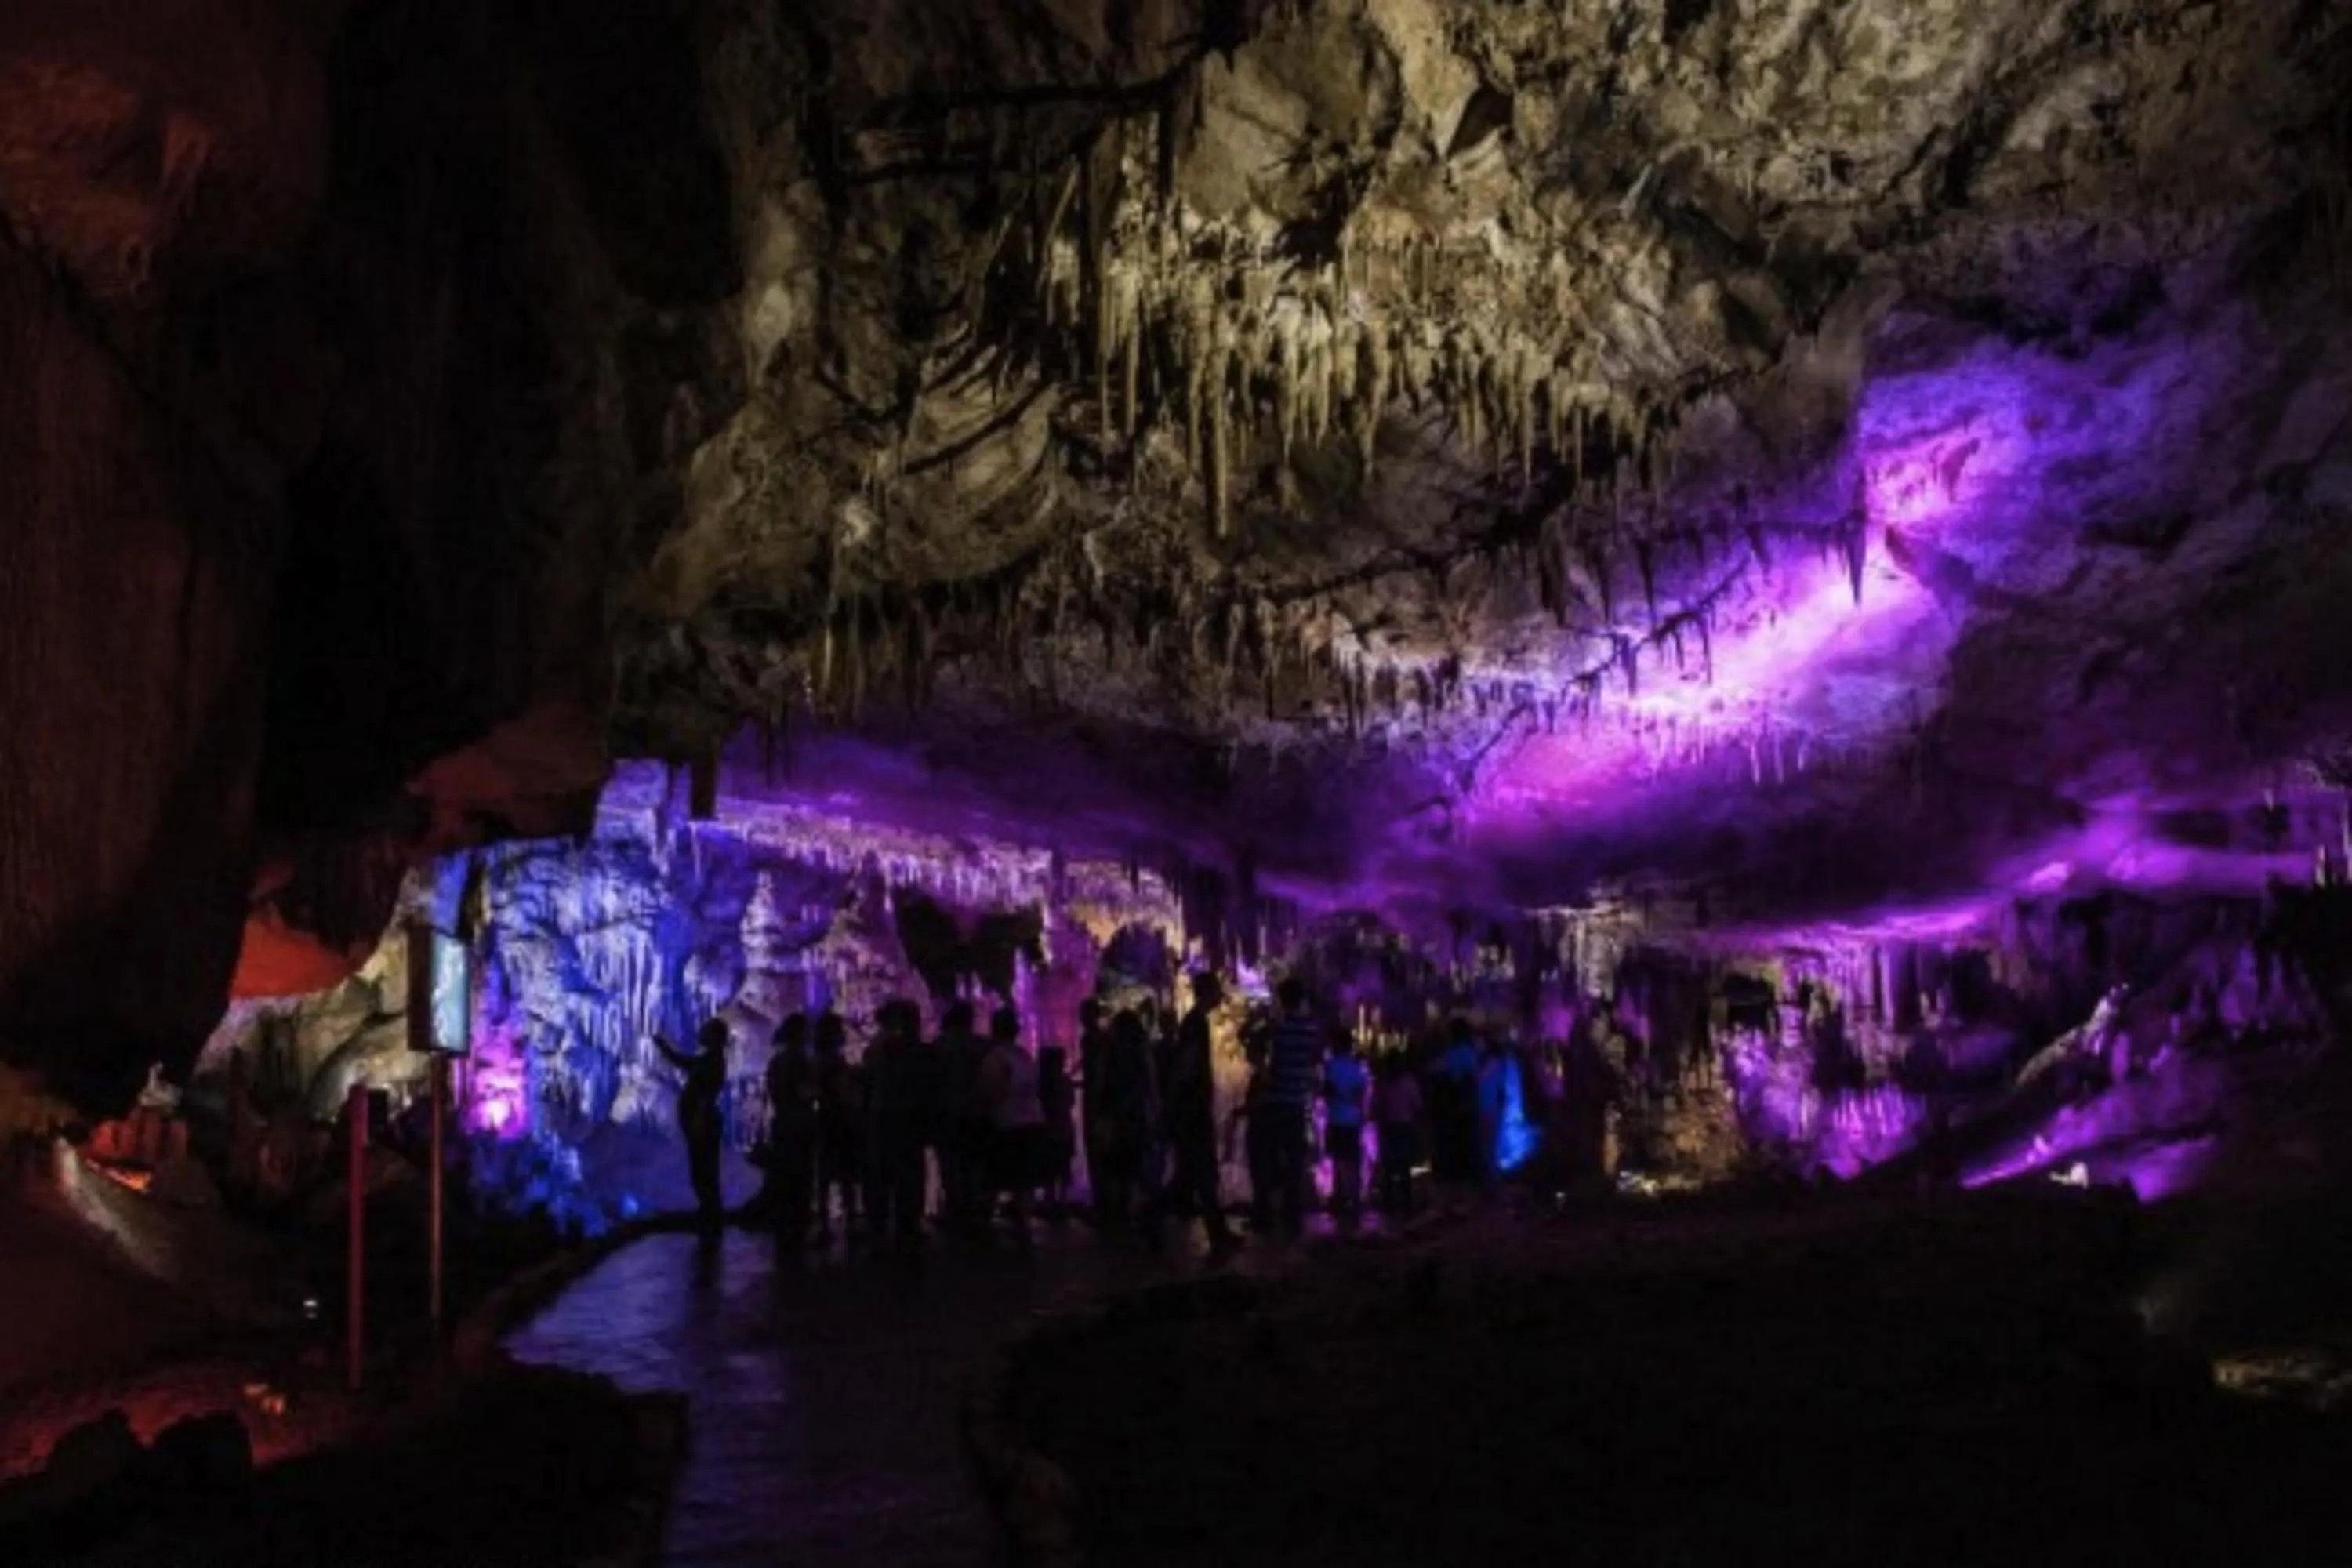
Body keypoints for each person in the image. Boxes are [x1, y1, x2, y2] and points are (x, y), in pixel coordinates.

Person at [1160, 974, 1240, 1259]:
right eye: (1217, 990)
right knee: (1202, 1171)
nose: (1221, 996)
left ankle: (1152, 1217)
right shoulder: (1194, 1024)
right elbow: (1186, 1064)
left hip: (1192, 1108)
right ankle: (1216, 1233)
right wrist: (1181, 1101)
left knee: (1189, 1175)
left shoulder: (1196, 1022)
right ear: (1206, 992)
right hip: (1192, 1111)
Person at [1261, 977, 1324, 1243]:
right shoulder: (1311, 1030)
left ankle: (1270, 1212)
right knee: (1296, 1161)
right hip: (1298, 1101)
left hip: (1276, 1100)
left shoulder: (1278, 1028)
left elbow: (1254, 1044)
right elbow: (1316, 1062)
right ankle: (1292, 1216)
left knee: (1273, 1159)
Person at [862, 1000, 931, 1245]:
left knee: (885, 1171)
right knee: (907, 1171)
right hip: (901, 1115)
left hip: (883, 1114)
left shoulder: (876, 1046)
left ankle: (882, 1224)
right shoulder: (900, 1047)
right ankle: (905, 1223)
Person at [655, 1018, 730, 1233]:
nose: (700, 1034)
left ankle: (711, 1217)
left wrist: (699, 1116)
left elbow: (706, 1092)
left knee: (704, 1169)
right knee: (703, 1169)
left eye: (706, 1032)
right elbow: (683, 1062)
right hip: (700, 1120)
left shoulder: (713, 1061)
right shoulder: (709, 1059)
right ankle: (709, 1213)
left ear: (715, 1037)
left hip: (703, 1122)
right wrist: (663, 1047)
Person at [978, 1007, 1044, 1234]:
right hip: (1030, 1122)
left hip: (1006, 1124)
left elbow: (991, 1092)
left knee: (997, 1173)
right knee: (1023, 1178)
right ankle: (1022, 1219)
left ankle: (986, 1220)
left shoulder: (997, 1057)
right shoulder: (1023, 1055)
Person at [1092, 1008, 1156, 1236]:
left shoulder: (1110, 1052)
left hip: (1115, 1116)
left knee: (1116, 1168)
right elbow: (1150, 1085)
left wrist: (1099, 1114)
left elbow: (1101, 1084)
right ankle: (1137, 1214)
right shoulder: (1140, 1053)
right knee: (1134, 1167)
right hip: (1134, 1117)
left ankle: (1120, 1216)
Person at [764, 1014, 818, 1247]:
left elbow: (774, 1091)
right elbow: (804, 1091)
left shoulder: (776, 1061)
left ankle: (785, 1225)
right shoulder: (799, 1061)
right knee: (801, 1175)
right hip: (798, 1123)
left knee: (786, 1175)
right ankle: (797, 1225)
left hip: (782, 1122)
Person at [935, 1002, 991, 1233]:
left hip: (947, 1112)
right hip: (975, 1113)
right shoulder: (982, 1047)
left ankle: (954, 1209)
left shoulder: (940, 1046)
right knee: (973, 1163)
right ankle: (974, 1209)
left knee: (950, 1164)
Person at [812, 1011, 865, 1243]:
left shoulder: (817, 1060)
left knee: (826, 1174)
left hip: (825, 1118)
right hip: (839, 1119)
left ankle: (825, 1223)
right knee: (845, 1172)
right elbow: (842, 1091)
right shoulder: (834, 1062)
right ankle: (850, 1221)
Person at [1425, 1017, 1482, 1216]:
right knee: (1461, 1155)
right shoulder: (1467, 1055)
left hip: (1451, 1112)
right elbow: (1470, 1082)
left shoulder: (1453, 1056)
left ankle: (1450, 1200)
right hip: (1460, 1112)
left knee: (1451, 1155)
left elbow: (1443, 1080)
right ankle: (1460, 1200)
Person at [1323, 1026, 1370, 1232]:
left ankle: (1339, 1196)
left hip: (1336, 1118)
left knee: (1337, 1159)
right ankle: (1354, 1198)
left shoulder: (1330, 1066)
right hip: (1353, 1118)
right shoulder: (1356, 1068)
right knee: (1353, 1159)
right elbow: (1361, 1094)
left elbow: (1326, 1090)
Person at [1372, 1051, 1424, 1219]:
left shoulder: (1383, 1084)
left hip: (1391, 1127)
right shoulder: (1408, 1083)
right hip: (1403, 1126)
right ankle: (1405, 1205)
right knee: (1403, 1168)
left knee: (1390, 1168)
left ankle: (1390, 1205)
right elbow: (1418, 1107)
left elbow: (1377, 1107)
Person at [1037, 1040, 1076, 1218]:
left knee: (1049, 1169)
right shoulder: (1064, 1082)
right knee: (1063, 1168)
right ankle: (1062, 1202)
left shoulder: (1041, 1085)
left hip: (1047, 1131)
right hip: (1063, 1129)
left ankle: (1050, 1200)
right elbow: (1070, 1102)